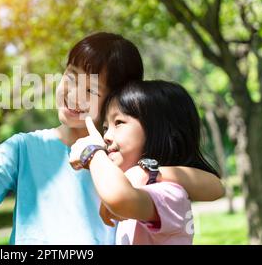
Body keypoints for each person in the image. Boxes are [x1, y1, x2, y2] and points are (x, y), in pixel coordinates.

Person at [0, 33, 224, 244]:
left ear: (116, 99)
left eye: (91, 90)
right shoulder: (25, 148)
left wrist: (144, 171)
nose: (74, 94)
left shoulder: (121, 157)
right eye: (71, 76)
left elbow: (212, 186)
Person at [69, 80, 221, 244]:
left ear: (162, 129)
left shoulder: (169, 194)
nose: (106, 136)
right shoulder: (144, 189)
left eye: (119, 122)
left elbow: (119, 198)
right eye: (105, 128)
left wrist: (92, 151)